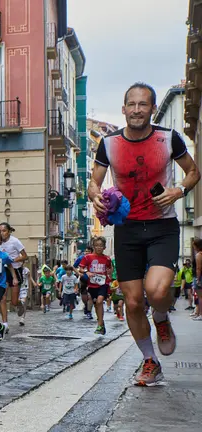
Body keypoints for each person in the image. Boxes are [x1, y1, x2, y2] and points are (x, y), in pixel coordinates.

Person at [88, 82, 200, 386]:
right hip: (127, 228)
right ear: (124, 109)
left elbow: (193, 171)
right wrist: (95, 195)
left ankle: (161, 318)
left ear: (152, 109)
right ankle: (150, 362)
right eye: (132, 104)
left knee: (157, 291)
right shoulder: (108, 144)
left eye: (143, 104)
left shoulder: (168, 138)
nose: (137, 110)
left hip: (162, 226)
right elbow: (93, 184)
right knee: (134, 301)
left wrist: (178, 191)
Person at [0, 222, 28, 334]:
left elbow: (25, 256)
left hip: (15, 270)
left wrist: (13, 260)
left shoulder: (15, 241)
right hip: (3, 271)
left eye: (4, 231)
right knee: (3, 298)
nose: (2, 233)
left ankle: (20, 305)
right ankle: (5, 323)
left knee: (14, 302)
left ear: (9, 231)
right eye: (0, 231)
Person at [79, 236, 112, 335]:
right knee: (96, 304)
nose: (99, 247)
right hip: (92, 285)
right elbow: (81, 268)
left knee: (100, 301)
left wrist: (110, 276)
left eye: (101, 246)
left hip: (103, 284)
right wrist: (87, 272)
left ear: (104, 247)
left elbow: (110, 270)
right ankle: (101, 323)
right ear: (93, 246)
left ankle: (100, 325)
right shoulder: (87, 257)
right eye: (97, 245)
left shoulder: (107, 258)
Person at [75, 246, 94, 319]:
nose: (87, 252)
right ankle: (86, 305)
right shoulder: (81, 258)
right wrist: (78, 273)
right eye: (86, 251)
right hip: (83, 279)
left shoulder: (94, 258)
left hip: (92, 280)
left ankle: (89, 311)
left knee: (90, 296)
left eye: (88, 251)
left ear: (91, 252)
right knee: (84, 295)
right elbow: (74, 267)